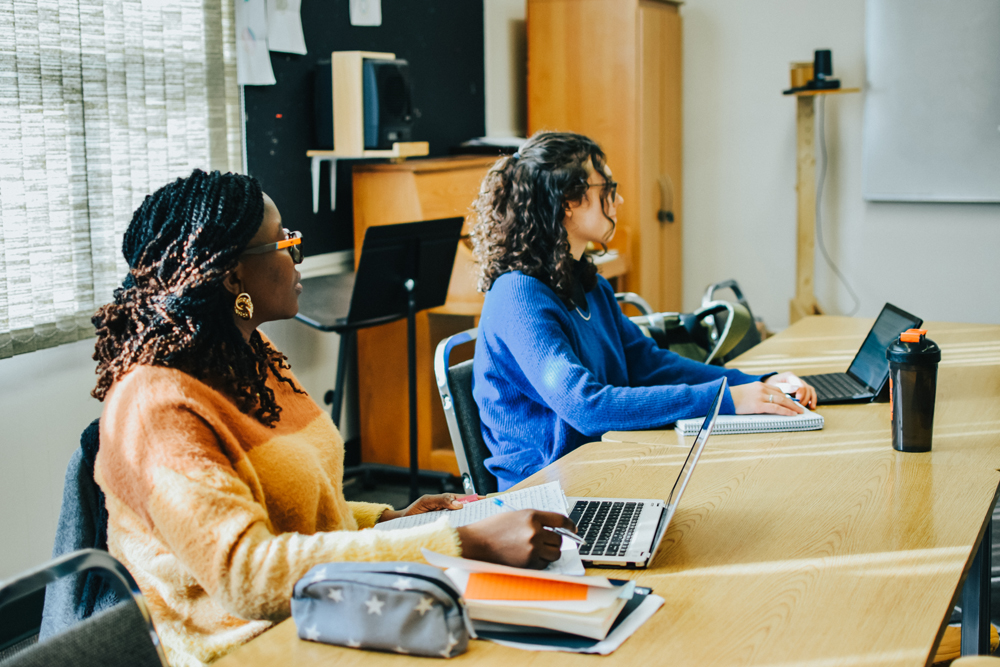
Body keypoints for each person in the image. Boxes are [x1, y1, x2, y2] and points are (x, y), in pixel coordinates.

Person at [90, 170, 573, 667]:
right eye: (285, 243)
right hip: (242, 650)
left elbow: (296, 503)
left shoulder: (251, 356)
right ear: (234, 275)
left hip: (325, 616)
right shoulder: (155, 407)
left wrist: (388, 519)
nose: (298, 257)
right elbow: (248, 577)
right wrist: (461, 542)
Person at [470, 132, 817, 491]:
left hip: (605, 468)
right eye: (607, 187)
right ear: (568, 201)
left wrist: (751, 384)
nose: (618, 198)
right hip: (547, 498)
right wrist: (724, 400)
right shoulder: (518, 295)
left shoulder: (589, 283)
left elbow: (649, 364)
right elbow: (587, 406)